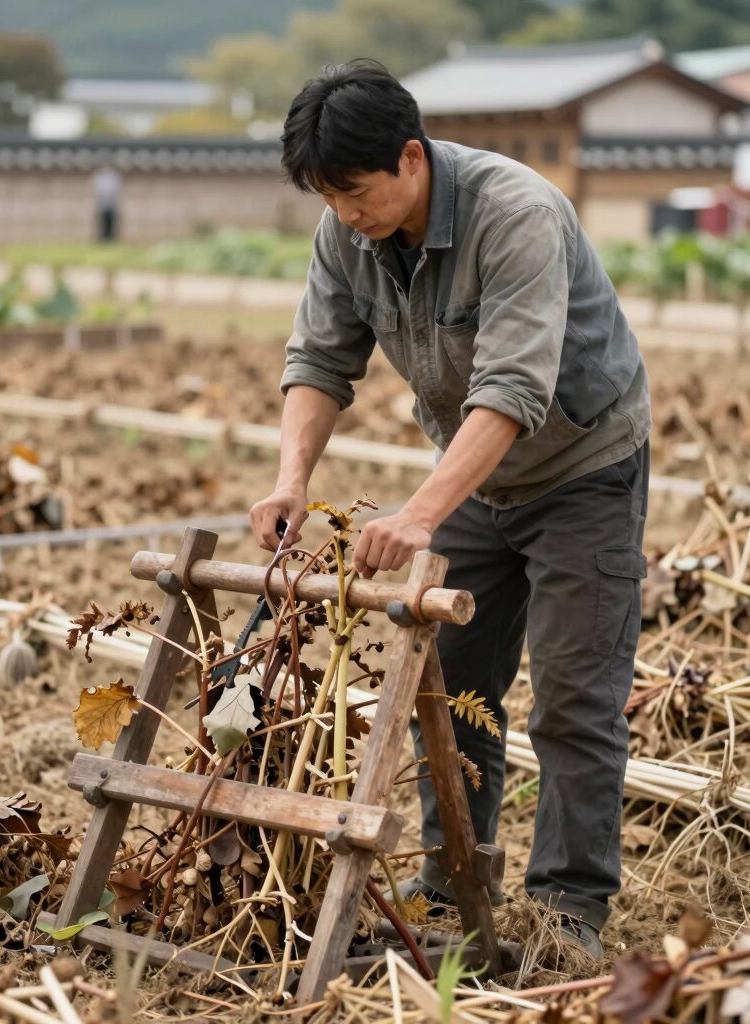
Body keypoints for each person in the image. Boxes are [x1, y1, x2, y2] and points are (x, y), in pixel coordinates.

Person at [249, 60, 650, 959]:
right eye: (328, 195)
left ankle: (566, 916)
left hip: (583, 466)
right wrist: (290, 481)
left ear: (411, 157)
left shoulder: (517, 216)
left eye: (355, 191)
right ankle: (450, 887)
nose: (346, 212)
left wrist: (421, 515)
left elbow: (512, 391)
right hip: (476, 475)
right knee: (456, 691)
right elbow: (319, 361)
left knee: (576, 698)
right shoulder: (345, 233)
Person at [92, 164, 121, 243]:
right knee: (102, 221)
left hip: (111, 203)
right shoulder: (100, 177)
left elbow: (116, 190)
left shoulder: (113, 177)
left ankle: (110, 237)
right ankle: (103, 237)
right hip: (103, 202)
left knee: (110, 221)